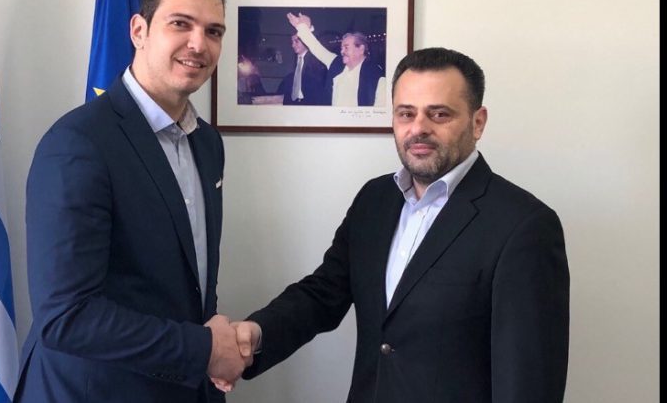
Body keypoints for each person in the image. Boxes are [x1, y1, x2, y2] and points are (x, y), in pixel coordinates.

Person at [225, 47, 570, 402]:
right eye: (406, 113)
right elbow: (324, 293)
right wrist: (257, 333)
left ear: (477, 122)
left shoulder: (525, 226)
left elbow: (529, 381)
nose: (418, 128)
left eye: (439, 114)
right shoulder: (374, 200)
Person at [14, 0, 248, 403]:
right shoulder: (78, 142)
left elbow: (189, 281)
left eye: (213, 31)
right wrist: (204, 349)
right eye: (181, 24)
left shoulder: (207, 143)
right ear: (139, 30)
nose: (198, 44)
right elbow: (66, 317)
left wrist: (209, 349)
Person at [287, 12, 386, 107]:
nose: (342, 51)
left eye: (346, 47)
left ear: (361, 49)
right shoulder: (336, 63)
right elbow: (315, 47)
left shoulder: (376, 75)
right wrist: (301, 27)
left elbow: (379, 111)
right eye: (341, 48)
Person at [276, 33, 328, 105]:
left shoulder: (316, 61)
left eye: (296, 41)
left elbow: (317, 86)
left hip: (309, 103)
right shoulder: (295, 60)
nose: (293, 45)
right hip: (294, 103)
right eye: (292, 42)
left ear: (305, 41)